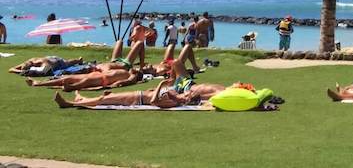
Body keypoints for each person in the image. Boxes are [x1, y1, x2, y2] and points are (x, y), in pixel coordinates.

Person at [54, 79, 229, 110]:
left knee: (103, 99)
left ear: (187, 102)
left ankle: (69, 104)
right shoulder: (177, 96)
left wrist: (161, 85)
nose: (186, 94)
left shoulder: (174, 103)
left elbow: (154, 102)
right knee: (106, 96)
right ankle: (81, 99)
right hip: (138, 93)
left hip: (137, 98)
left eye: (187, 96)